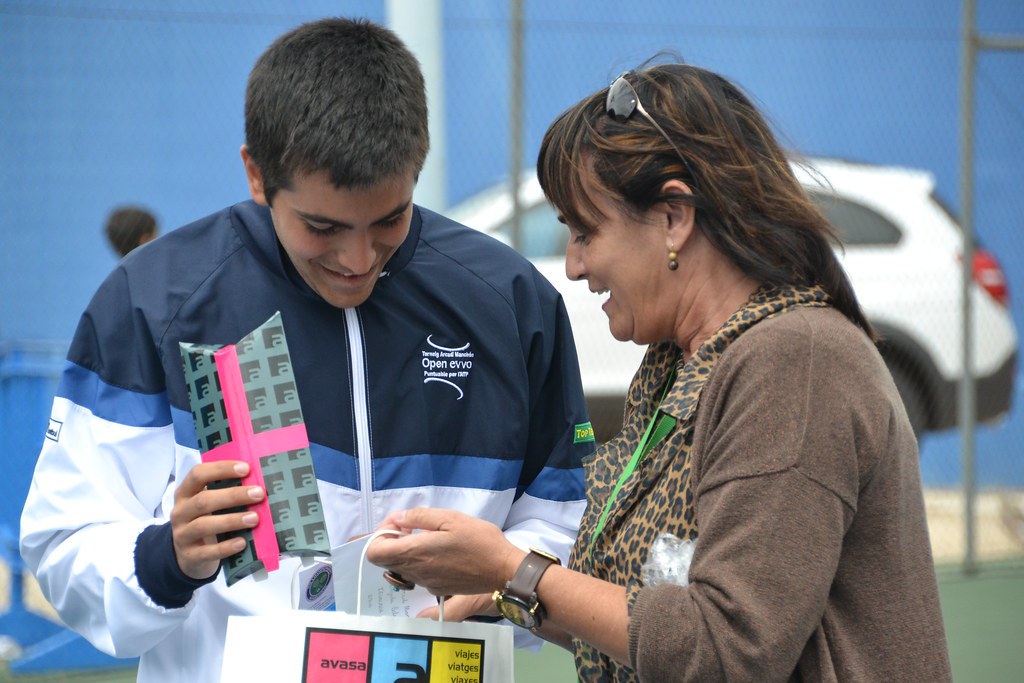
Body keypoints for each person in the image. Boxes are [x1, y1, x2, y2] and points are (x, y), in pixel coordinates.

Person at [20, 18, 592, 683]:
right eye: (322, 226)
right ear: (256, 174)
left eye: (390, 219)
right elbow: (63, 540)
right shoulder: (153, 300)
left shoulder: (510, 302)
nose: (358, 258)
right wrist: (167, 558)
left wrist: (498, 584)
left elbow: (564, 521)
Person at [367, 63, 953, 681]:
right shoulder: (680, 365)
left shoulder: (795, 364)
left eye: (585, 231)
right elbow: (642, 625)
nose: (573, 265)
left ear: (674, 217)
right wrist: (499, 595)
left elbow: (726, 651)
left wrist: (510, 568)